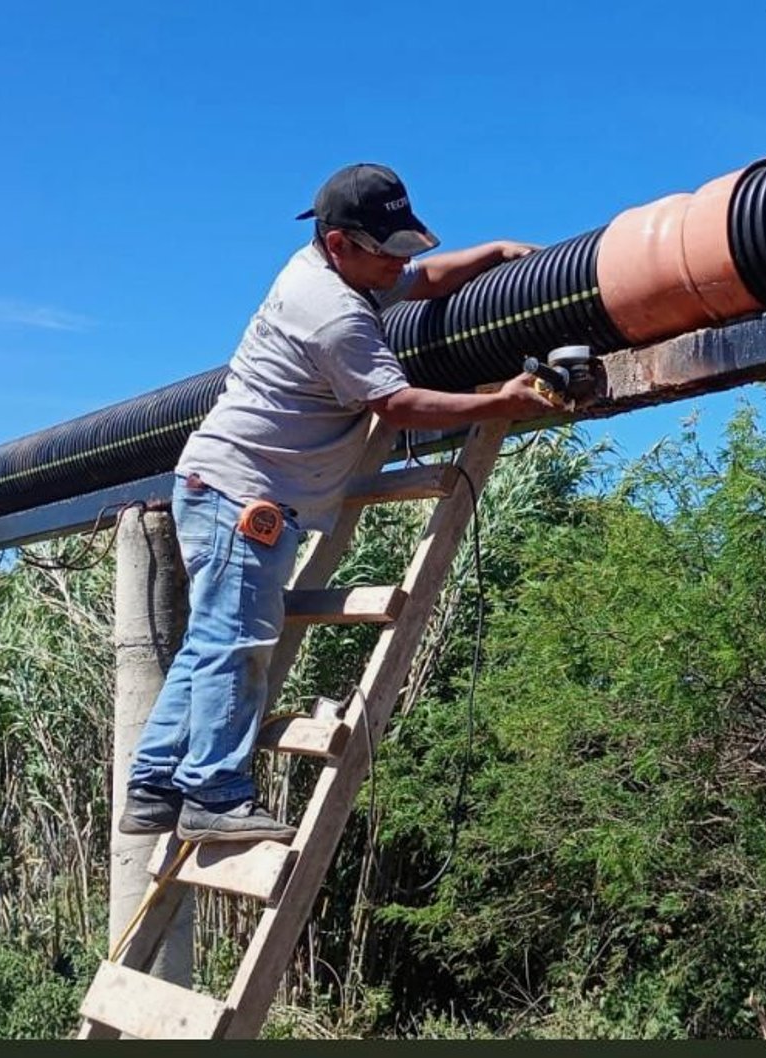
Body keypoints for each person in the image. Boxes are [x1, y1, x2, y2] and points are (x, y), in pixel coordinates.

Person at [119, 163, 555, 843]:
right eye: (387, 252)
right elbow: (396, 404)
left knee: (211, 642)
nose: (399, 266)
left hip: (223, 485)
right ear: (339, 244)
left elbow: (421, 281)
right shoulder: (333, 313)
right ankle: (214, 793)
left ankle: (153, 785)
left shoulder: (339, 272)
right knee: (238, 643)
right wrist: (501, 402)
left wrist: (492, 253)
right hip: (244, 495)